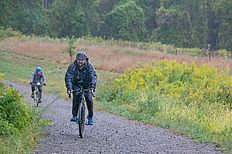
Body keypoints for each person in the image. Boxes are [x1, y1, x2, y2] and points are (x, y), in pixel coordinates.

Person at [65, 51, 97, 125]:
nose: (80, 62)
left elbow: (93, 76)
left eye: (82, 60)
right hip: (76, 84)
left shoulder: (89, 66)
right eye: (79, 60)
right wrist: (69, 88)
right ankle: (74, 115)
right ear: (76, 59)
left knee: (89, 99)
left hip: (87, 85)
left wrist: (92, 87)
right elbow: (68, 76)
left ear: (85, 60)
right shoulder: (72, 66)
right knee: (76, 97)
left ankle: (90, 117)